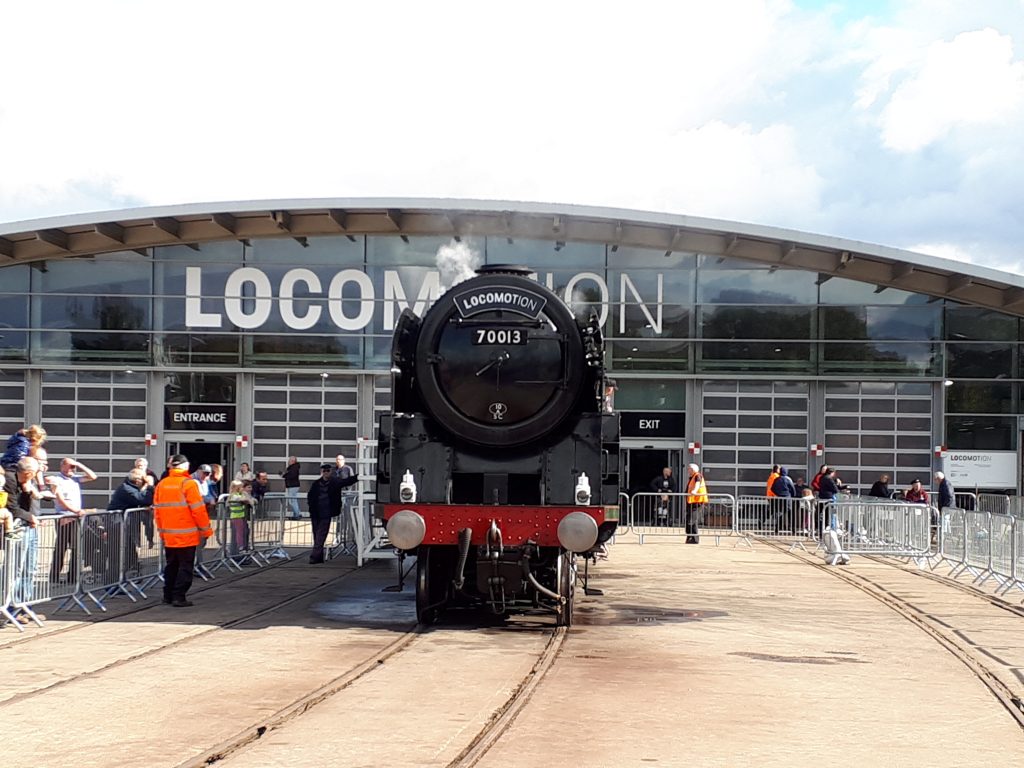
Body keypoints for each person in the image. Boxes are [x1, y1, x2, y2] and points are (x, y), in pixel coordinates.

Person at [154, 454, 213, 607]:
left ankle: (167, 595)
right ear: (186, 467)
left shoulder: (162, 484)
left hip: (169, 534)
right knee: (185, 566)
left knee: (171, 565)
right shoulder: (188, 484)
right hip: (187, 534)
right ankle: (179, 596)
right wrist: (206, 530)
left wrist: (161, 531)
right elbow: (198, 510)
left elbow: (158, 511)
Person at [47, 457, 98, 584]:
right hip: (64, 516)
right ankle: (54, 576)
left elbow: (93, 476)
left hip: (76, 518)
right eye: (70, 466)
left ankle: (72, 577)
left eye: (73, 467)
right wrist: (76, 511)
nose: (72, 469)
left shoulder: (75, 478)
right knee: (61, 547)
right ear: (62, 466)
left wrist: (79, 464)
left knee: (76, 548)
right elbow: (60, 501)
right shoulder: (57, 479)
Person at [5, 457, 44, 622]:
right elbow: (12, 507)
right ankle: (10, 607)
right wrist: (30, 517)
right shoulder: (10, 480)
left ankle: (24, 605)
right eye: (35, 473)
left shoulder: (24, 482)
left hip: (28, 527)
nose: (37, 476)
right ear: (28, 473)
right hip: (17, 529)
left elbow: (26, 505)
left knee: (30, 567)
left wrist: (28, 491)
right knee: (16, 569)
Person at [306, 462, 359, 563]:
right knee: (316, 534)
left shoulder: (335, 482)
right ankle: (318, 557)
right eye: (324, 471)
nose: (326, 473)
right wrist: (311, 506)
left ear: (331, 471)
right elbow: (310, 496)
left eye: (328, 471)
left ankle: (314, 557)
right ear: (322, 472)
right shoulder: (316, 484)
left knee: (321, 534)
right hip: (316, 512)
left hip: (326, 512)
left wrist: (358, 477)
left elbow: (347, 481)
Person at [108, 468, 155, 573]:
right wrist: (149, 486)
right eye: (143, 480)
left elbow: (143, 500)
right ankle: (113, 582)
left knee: (129, 548)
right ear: (138, 480)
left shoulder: (132, 487)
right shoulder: (126, 489)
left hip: (126, 523)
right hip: (116, 523)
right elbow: (144, 499)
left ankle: (131, 571)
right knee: (117, 553)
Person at [684, 464, 707, 544]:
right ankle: (689, 537)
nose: (688, 470)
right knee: (689, 520)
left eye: (689, 469)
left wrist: (694, 491)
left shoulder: (698, 475)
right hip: (692, 501)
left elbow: (698, 484)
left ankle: (694, 539)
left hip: (697, 502)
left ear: (693, 470)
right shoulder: (692, 477)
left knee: (692, 520)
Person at [770, 466, 797, 532]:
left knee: (779, 513)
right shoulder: (787, 479)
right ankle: (793, 528)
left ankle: (777, 528)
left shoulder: (777, 479)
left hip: (779, 498)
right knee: (790, 513)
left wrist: (777, 493)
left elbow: (772, 488)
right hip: (787, 498)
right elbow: (792, 489)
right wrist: (792, 496)